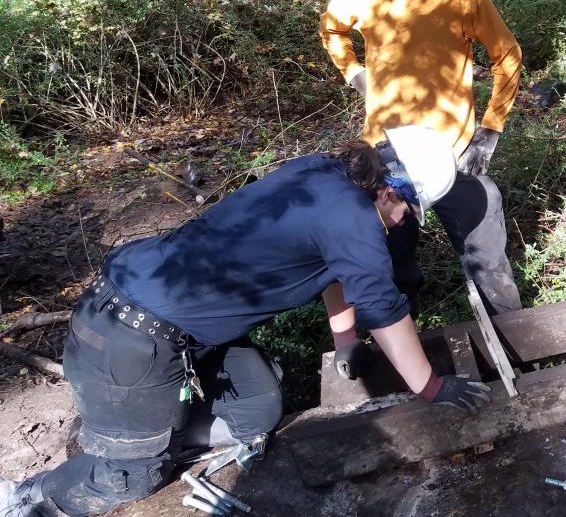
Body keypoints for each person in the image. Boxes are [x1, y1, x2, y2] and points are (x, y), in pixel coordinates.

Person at [0, 126, 492, 517]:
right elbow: (385, 309)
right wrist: (430, 388)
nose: (403, 220)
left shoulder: (324, 174)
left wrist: (344, 339)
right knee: (130, 479)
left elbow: (333, 270)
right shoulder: (356, 218)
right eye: (408, 209)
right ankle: (26, 496)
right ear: (393, 188)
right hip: (130, 339)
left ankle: (145, 429)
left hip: (169, 330)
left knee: (256, 410)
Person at [319, 0, 524, 348]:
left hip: (453, 153)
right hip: (386, 153)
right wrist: (355, 73)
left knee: (487, 259)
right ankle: (406, 358)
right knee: (390, 264)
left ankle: (517, 342)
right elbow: (332, 31)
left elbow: (506, 53)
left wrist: (490, 129)